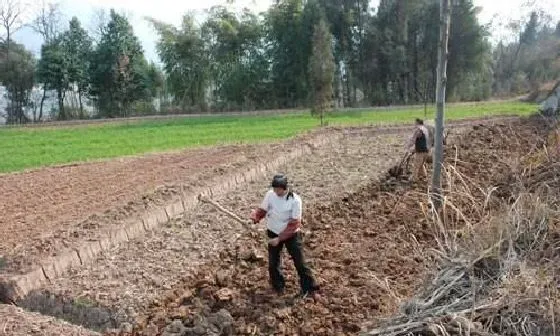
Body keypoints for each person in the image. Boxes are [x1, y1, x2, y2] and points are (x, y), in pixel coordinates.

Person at [250, 174, 320, 299]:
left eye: (278, 189)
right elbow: (263, 210)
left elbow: (294, 224)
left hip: (291, 234)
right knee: (273, 262)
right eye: (274, 189)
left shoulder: (295, 200)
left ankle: (310, 288)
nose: (276, 191)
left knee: (300, 261)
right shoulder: (270, 195)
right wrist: (255, 217)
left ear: (284, 188)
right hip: (273, 231)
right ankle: (278, 286)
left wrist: (280, 238)